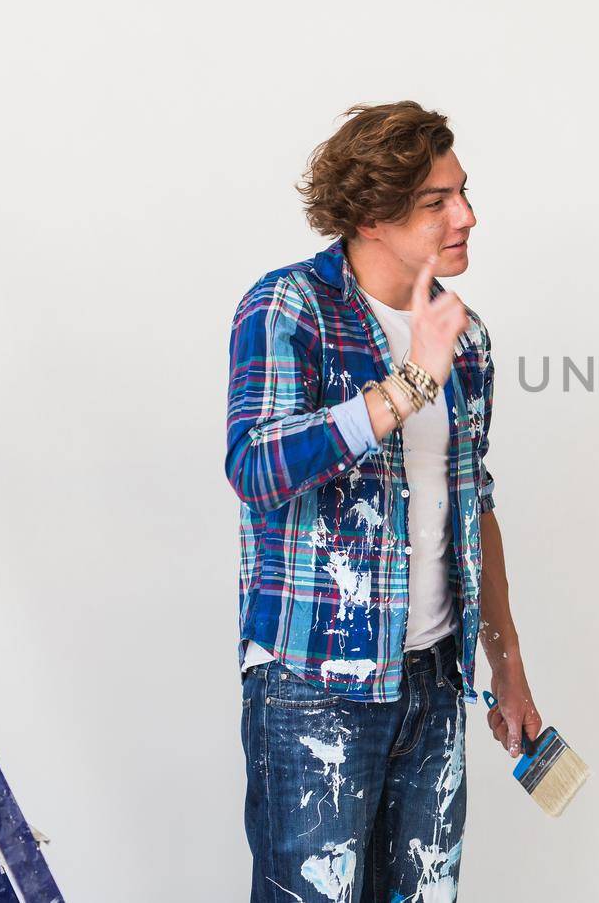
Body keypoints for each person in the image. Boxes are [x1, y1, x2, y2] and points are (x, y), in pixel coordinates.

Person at [225, 101, 542, 903]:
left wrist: (506, 665)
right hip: (311, 686)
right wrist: (406, 384)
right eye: (436, 202)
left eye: (461, 192)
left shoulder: (465, 336)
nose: (466, 214)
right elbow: (255, 465)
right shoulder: (289, 308)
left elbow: (476, 505)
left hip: (434, 680)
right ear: (371, 216)